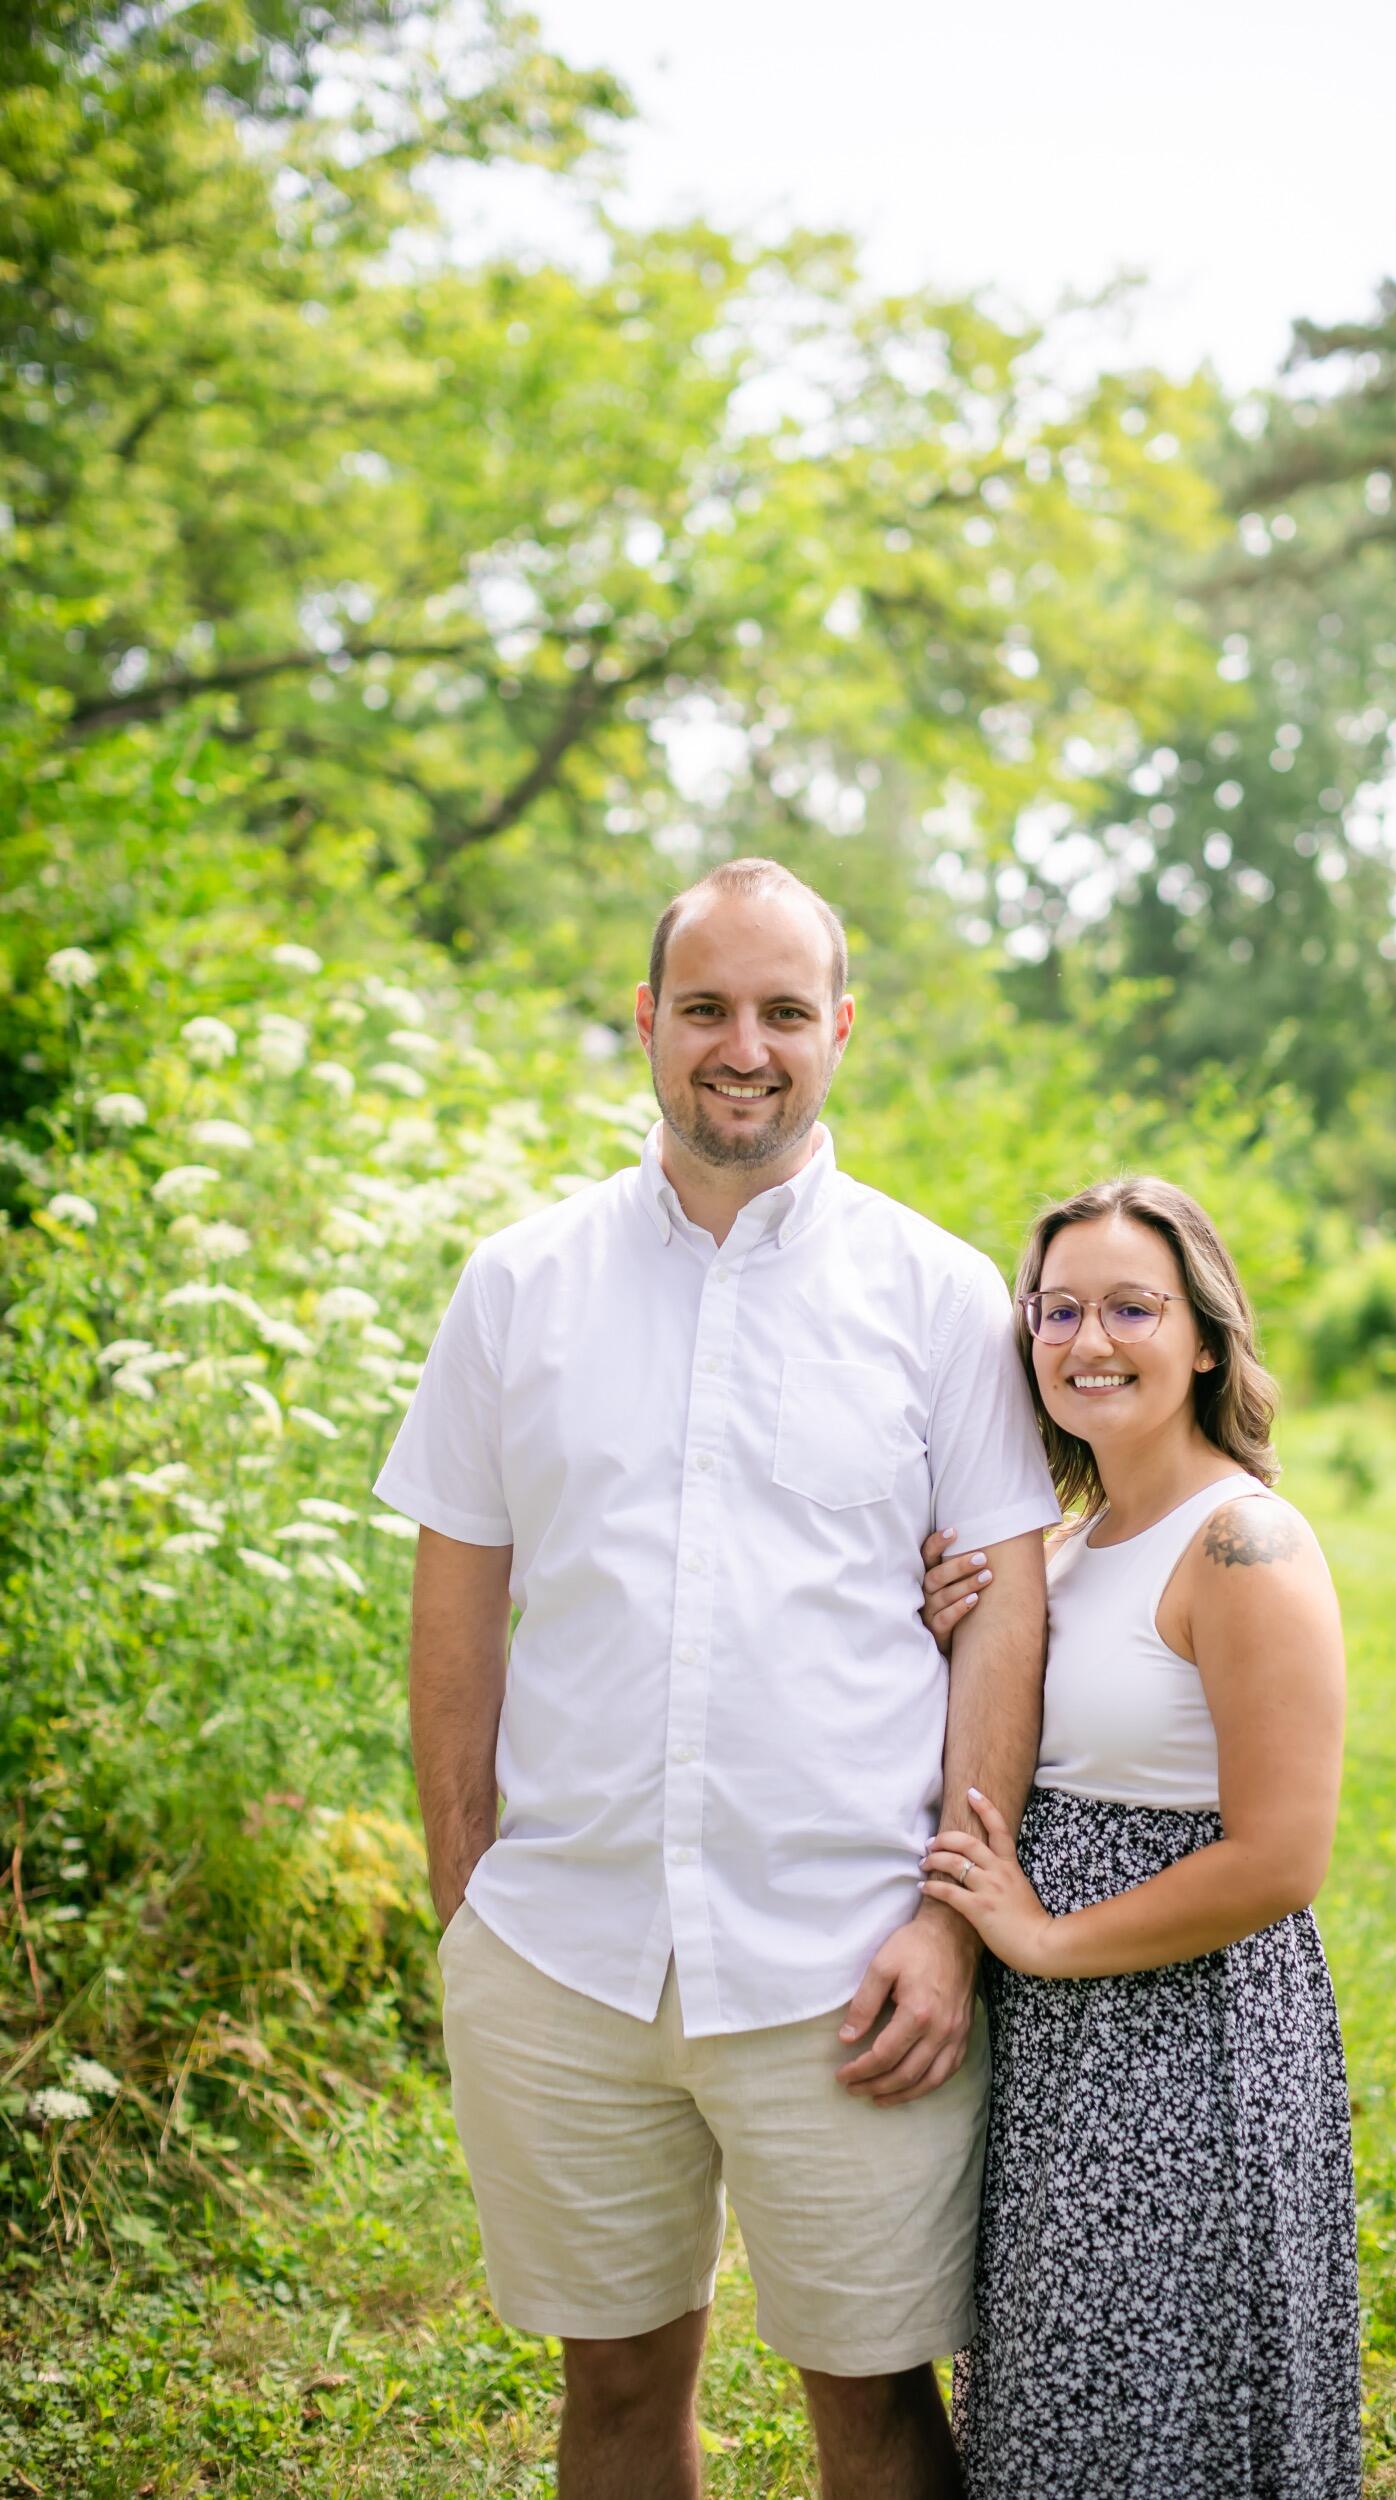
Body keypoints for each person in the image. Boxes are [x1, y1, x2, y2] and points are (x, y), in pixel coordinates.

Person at [372, 858, 1059, 2500]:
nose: (739, 1046)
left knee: (875, 2404)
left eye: (779, 1011)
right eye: (704, 1008)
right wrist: (467, 1894)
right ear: (645, 1022)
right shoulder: (518, 1284)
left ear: (840, 1030)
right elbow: (459, 1603)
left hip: (847, 1967)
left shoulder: (938, 1294)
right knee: (610, 2388)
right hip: (563, 1953)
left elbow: (1007, 1622)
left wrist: (949, 1925)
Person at [917, 1177, 1362, 2500]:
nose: (1086, 1340)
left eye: (1130, 1307)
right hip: (1062, 2058)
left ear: (1206, 1338)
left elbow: (1282, 1858)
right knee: (1064, 2404)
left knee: (1172, 2414)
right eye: (1056, 1309)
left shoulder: (1243, 1546)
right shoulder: (1060, 1547)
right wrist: (950, 1629)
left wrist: (1047, 1940)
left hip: (1190, 2053)